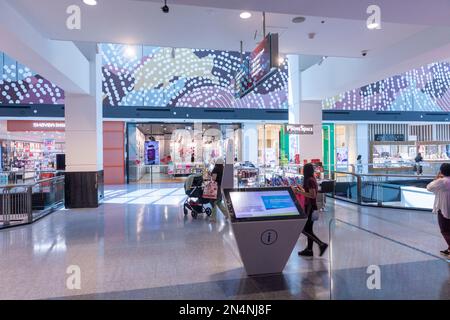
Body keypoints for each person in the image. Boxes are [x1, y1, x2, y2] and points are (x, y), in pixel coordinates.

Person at [294, 163, 328, 257]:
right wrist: (302, 190)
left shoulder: (309, 180)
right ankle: (309, 250)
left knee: (304, 229)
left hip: (310, 207)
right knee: (309, 229)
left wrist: (299, 192)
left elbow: (312, 195)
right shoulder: (312, 179)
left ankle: (321, 244)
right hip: (311, 207)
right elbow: (310, 192)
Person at [426, 163, 450, 257]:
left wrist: (437, 177)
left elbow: (429, 187)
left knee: (445, 230)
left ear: (442, 171)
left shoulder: (442, 181)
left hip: (444, 208)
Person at [209, 158, 229, 223]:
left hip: (216, 187)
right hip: (221, 187)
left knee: (214, 202)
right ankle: (227, 214)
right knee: (218, 202)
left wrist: (210, 175)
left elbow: (214, 179)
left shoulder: (216, 168)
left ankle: (213, 218)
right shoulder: (223, 169)